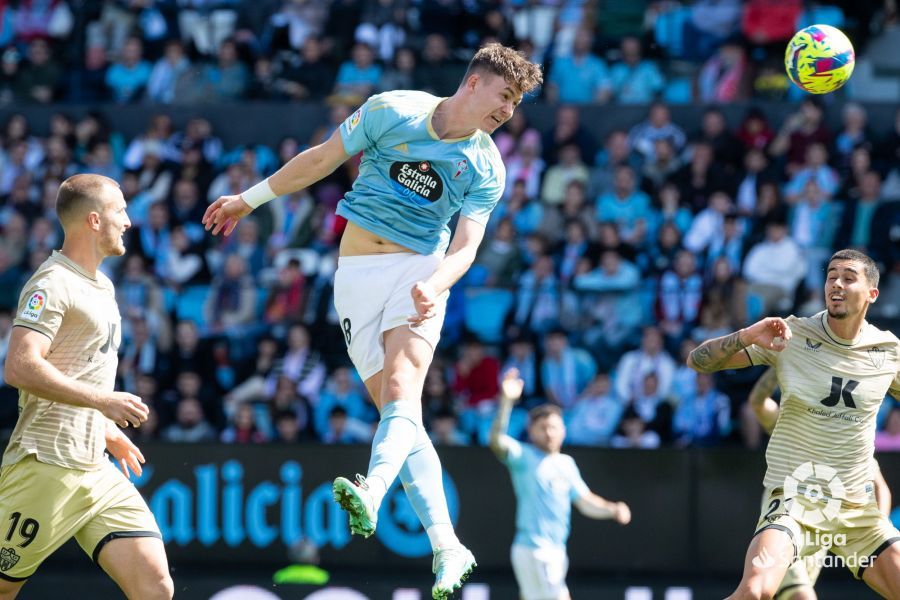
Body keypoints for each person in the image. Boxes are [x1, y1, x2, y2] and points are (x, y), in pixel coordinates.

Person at [202, 43, 542, 599]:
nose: (508, 111)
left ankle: (373, 489)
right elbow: (321, 159)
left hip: (419, 274)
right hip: (355, 277)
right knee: (397, 416)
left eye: (516, 104)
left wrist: (434, 286)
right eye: (504, 97)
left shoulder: (486, 165)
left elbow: (468, 246)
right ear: (474, 84)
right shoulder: (392, 109)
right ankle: (447, 544)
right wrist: (249, 198)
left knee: (405, 394)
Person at [689, 249, 900, 598]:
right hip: (794, 502)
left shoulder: (888, 350)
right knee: (756, 590)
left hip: (856, 511)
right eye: (831, 275)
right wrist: (746, 335)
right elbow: (698, 362)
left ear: (872, 294)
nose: (837, 283)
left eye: (849, 277)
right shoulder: (793, 335)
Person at [0, 174, 172, 598]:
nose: (129, 222)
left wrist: (104, 428)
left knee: (155, 587)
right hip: (46, 463)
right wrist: (102, 402)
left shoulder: (103, 284)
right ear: (94, 221)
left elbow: (78, 366)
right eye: (121, 211)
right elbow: (19, 367)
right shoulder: (51, 283)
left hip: (94, 467)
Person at [747, 366, 894, 600]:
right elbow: (757, 403)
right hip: (787, 526)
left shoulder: (845, 443)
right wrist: (780, 364)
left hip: (820, 538)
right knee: (794, 595)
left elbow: (880, 487)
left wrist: (877, 529)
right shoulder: (787, 422)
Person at [489, 370, 631, 600]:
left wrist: (612, 510)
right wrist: (506, 402)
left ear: (563, 430)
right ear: (532, 432)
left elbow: (585, 501)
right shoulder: (523, 456)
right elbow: (496, 441)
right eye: (542, 428)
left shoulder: (566, 464)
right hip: (534, 549)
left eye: (553, 427)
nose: (549, 433)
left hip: (555, 551)